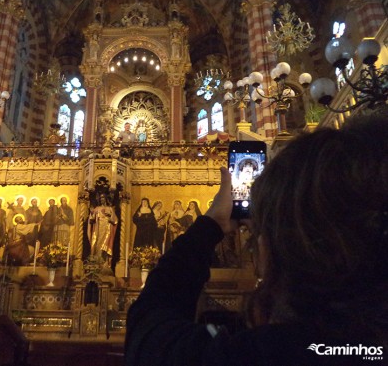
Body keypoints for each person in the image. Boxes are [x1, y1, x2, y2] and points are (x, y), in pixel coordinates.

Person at [125, 113, 388, 365]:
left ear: (278, 247)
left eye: (263, 230)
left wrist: (210, 226)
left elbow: (149, 334)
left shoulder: (261, 354)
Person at [88, 194, 118, 262]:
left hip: (107, 228)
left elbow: (115, 220)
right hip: (98, 228)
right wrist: (92, 213)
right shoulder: (97, 208)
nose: (102, 199)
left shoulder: (110, 208)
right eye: (101, 198)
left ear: (106, 199)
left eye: (103, 198)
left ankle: (105, 260)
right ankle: (97, 258)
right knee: (97, 241)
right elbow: (91, 220)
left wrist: (110, 218)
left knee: (106, 242)